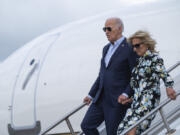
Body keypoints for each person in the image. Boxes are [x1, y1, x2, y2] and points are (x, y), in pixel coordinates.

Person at [80, 17, 137, 135]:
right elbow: (102, 75)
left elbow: (135, 75)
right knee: (86, 125)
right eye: (104, 29)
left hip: (117, 100)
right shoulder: (105, 49)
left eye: (109, 28)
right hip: (100, 98)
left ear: (120, 28)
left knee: (112, 132)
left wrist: (126, 93)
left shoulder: (129, 48)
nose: (106, 32)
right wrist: (91, 94)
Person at [117, 30, 176, 135]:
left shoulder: (154, 58)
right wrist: (129, 99)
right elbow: (139, 86)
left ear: (146, 44)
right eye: (133, 47)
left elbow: (164, 74)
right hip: (136, 104)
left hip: (147, 103)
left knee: (132, 129)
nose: (135, 49)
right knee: (122, 130)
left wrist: (169, 87)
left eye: (137, 45)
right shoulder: (139, 62)